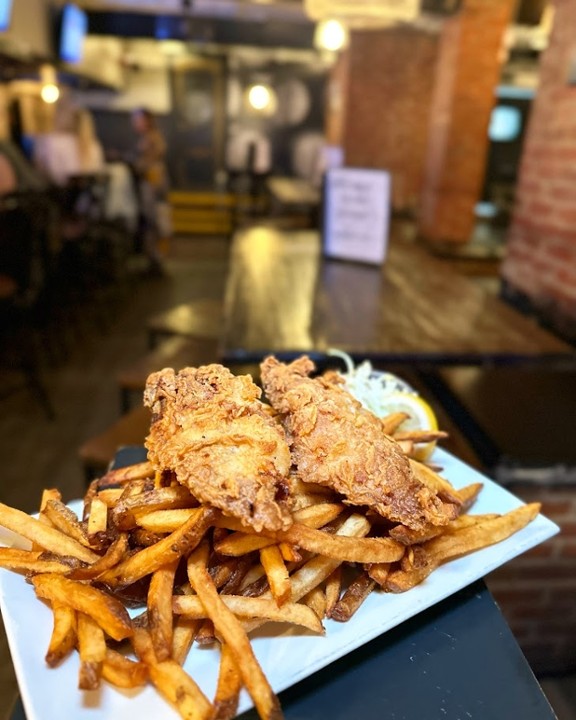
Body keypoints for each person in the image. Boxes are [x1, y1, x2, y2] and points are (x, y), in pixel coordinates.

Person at [131, 107, 171, 275]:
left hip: (153, 183)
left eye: (138, 119)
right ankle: (154, 259)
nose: (135, 123)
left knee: (156, 222)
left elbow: (150, 161)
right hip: (152, 183)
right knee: (153, 222)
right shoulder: (148, 138)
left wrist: (137, 165)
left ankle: (157, 259)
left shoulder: (153, 138)